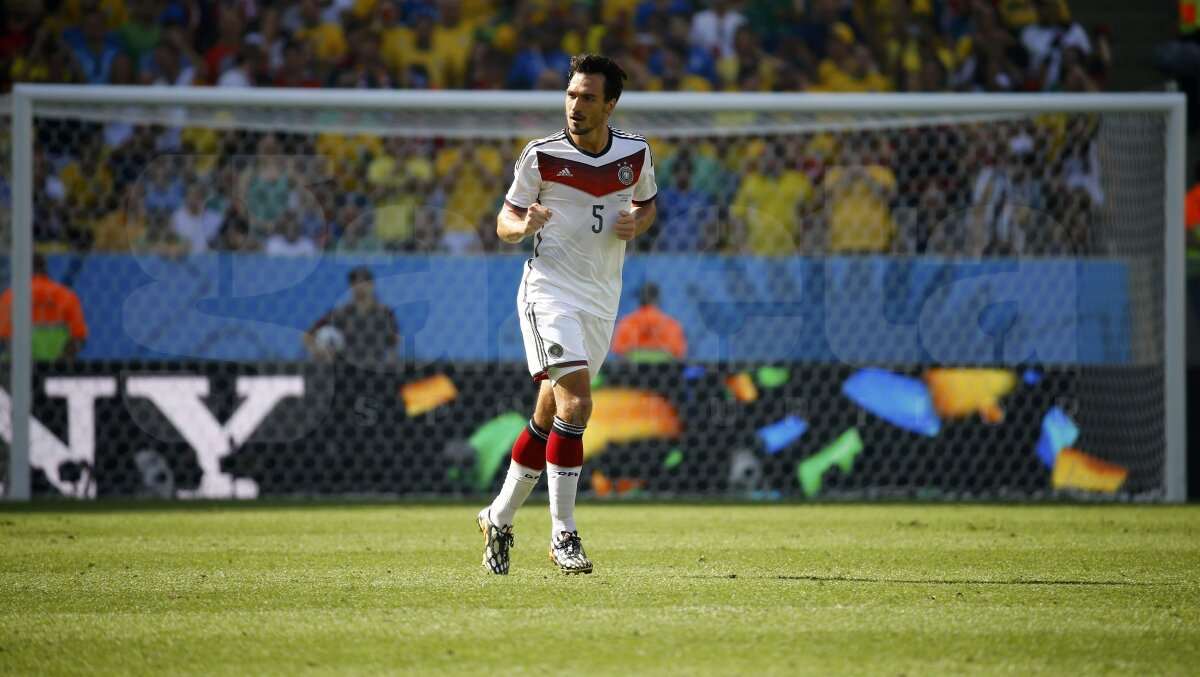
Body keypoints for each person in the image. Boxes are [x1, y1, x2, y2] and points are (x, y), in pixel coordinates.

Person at [478, 54, 657, 575]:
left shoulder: (637, 154)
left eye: (587, 98)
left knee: (547, 417)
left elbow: (647, 205)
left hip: (603, 298)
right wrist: (523, 224)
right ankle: (564, 535)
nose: (575, 106)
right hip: (550, 291)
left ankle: (499, 516)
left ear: (610, 105)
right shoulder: (541, 156)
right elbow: (504, 224)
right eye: (571, 94)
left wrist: (638, 224)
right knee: (576, 405)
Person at [302, 267, 400, 365]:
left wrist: (393, 365)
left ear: (372, 284)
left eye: (364, 282)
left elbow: (394, 342)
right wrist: (318, 352)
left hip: (375, 366)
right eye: (355, 283)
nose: (360, 287)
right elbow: (307, 335)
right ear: (350, 286)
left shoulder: (384, 313)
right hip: (345, 368)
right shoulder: (340, 313)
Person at [0, 253, 88, 361]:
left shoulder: (10, 296)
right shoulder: (66, 295)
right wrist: (59, 365)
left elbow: (5, 339)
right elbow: (79, 338)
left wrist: (26, 366)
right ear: (45, 268)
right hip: (56, 367)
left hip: (18, 368)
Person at [612, 283, 687, 361]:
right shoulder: (672, 325)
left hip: (634, 370)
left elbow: (619, 350)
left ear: (640, 299)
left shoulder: (626, 323)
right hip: (664, 370)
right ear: (658, 299)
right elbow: (679, 351)